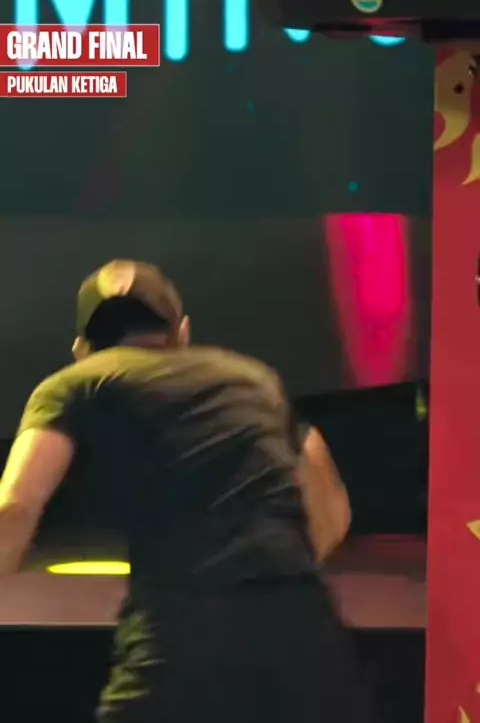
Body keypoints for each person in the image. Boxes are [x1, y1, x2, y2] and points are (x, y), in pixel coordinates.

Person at [0, 259, 372, 722]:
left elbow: (14, 506)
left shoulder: (76, 382)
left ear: (81, 349)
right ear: (182, 331)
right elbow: (332, 508)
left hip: (185, 633)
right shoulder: (254, 379)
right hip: (306, 636)